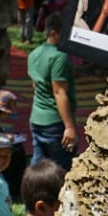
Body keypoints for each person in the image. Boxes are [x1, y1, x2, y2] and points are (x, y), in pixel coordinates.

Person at [27, 13, 78, 171]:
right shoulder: (59, 57)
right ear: (53, 33)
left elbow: (35, 85)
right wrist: (69, 127)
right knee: (59, 168)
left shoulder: (34, 54)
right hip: (55, 122)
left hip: (36, 119)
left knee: (38, 166)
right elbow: (59, 93)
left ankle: (32, 193)